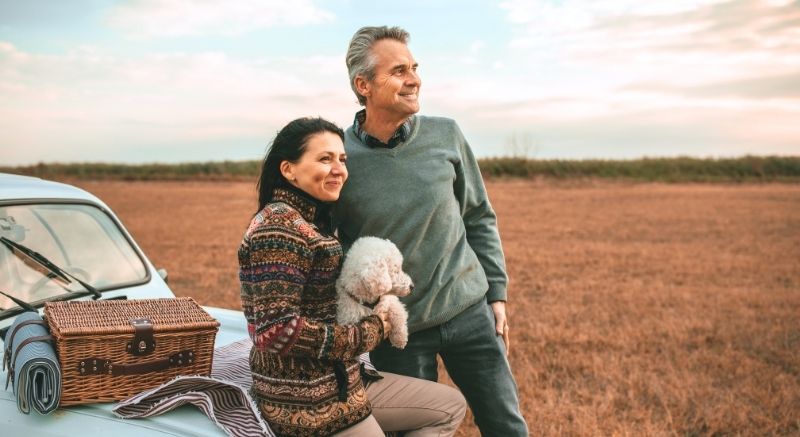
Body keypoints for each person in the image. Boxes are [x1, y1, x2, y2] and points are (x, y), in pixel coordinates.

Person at [334, 26, 529, 436]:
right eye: (399, 70)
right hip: (398, 333)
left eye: (415, 68)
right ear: (363, 84)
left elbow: (478, 215)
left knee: (506, 425)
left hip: (469, 312)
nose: (414, 79)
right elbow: (334, 247)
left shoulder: (447, 134)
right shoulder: (340, 158)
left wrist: (497, 294)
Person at [238, 117, 466, 437]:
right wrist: (371, 332)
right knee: (443, 410)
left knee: (449, 406)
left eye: (342, 159)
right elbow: (275, 330)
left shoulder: (306, 219)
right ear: (288, 170)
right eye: (324, 159)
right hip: (308, 402)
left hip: (339, 381)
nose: (339, 169)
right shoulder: (279, 229)